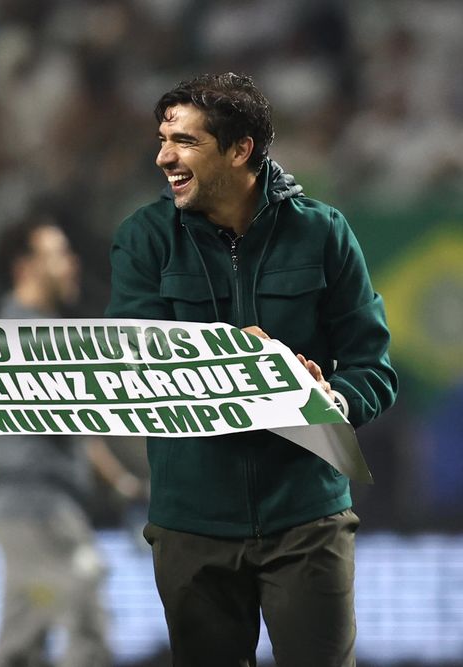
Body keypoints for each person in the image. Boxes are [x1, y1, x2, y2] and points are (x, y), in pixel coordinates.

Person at [105, 72, 397, 666]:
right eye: (163, 139)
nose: (163, 156)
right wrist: (229, 358)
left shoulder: (323, 232)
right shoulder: (144, 239)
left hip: (307, 517)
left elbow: (373, 368)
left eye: (185, 141)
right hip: (192, 522)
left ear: (241, 149)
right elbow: (135, 364)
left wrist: (332, 400)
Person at [0, 216, 145, 667]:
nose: (71, 264)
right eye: (58, 254)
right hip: (37, 511)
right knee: (87, 622)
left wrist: (122, 484)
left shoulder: (42, 333)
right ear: (25, 268)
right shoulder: (15, 336)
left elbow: (73, 425)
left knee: (18, 645)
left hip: (35, 509)